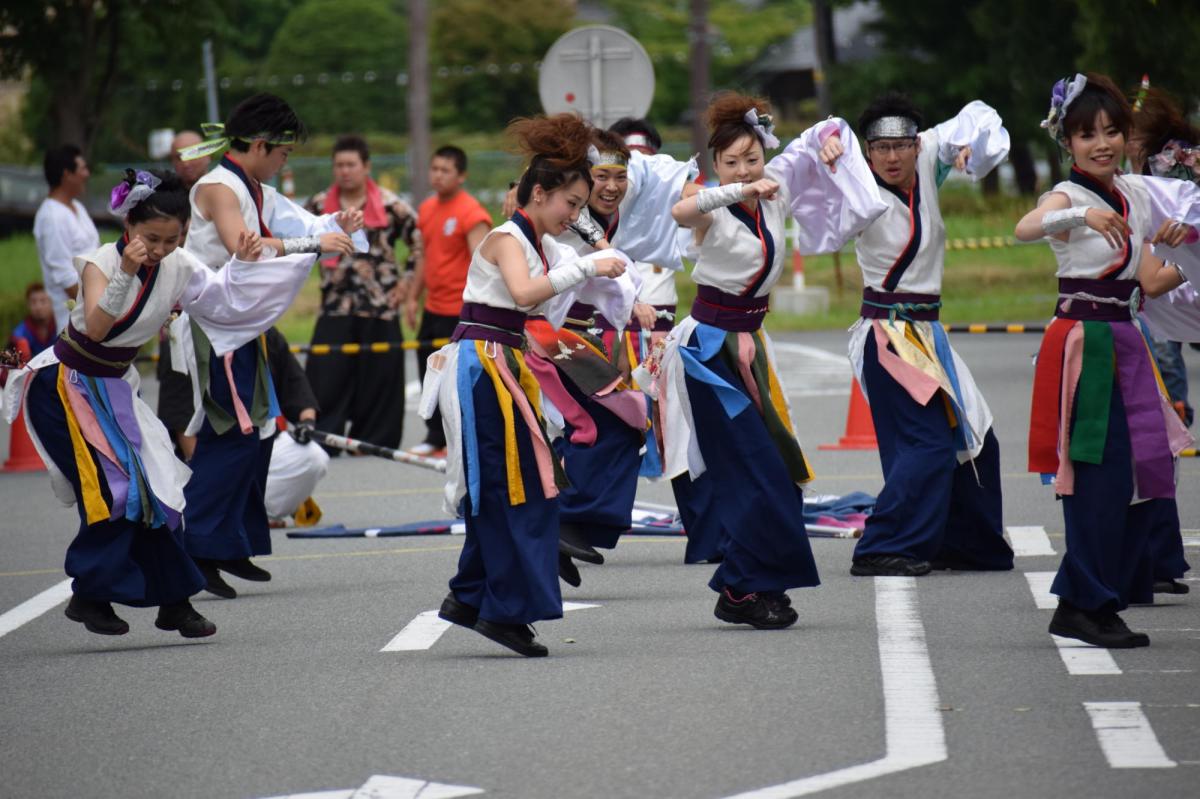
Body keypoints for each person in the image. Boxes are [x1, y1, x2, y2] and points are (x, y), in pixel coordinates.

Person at [1, 170, 318, 638]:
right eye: (152, 238)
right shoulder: (100, 262)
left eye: (173, 238)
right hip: (67, 389)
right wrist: (127, 272)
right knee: (118, 494)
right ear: (129, 226)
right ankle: (93, 590)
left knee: (161, 494)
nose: (162, 248)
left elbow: (225, 306)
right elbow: (96, 327)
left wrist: (253, 263)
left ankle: (173, 602)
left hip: (115, 390)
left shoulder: (181, 265)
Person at [658, 93, 884, 628]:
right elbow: (681, 210)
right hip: (707, 351)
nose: (745, 168)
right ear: (717, 166)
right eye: (731, 161)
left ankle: (749, 585)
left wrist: (831, 145)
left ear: (764, 154)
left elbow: (817, 139)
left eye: (752, 158)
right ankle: (743, 587)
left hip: (750, 345)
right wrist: (738, 187)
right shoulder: (710, 203)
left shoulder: (774, 191)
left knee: (776, 473)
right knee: (755, 473)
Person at [419, 113, 632, 658]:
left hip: (504, 364)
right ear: (539, 193)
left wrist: (605, 272)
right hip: (482, 365)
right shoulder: (506, 236)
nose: (575, 214)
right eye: (571, 203)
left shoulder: (541, 242)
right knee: (512, 487)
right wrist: (588, 267)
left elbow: (568, 291)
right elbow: (522, 292)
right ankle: (500, 608)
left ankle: (471, 597)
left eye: (581, 206)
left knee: (521, 485)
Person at [1015, 73, 1195, 648]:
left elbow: (1149, 280)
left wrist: (1186, 250)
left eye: (1112, 131)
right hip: (1083, 343)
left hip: (1125, 337)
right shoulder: (1068, 196)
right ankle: (1083, 601)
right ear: (1065, 142)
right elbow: (1024, 228)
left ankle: (1096, 595)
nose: (1102, 143)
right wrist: (1077, 217)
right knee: (1096, 473)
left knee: (1145, 468)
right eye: (1087, 133)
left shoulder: (1135, 193)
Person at [177, 93, 363, 599]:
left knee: (257, 432)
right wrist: (313, 243)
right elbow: (246, 245)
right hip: (211, 327)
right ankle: (197, 546)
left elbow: (299, 228)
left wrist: (333, 227)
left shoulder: (252, 185)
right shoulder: (220, 186)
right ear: (259, 144)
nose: (286, 162)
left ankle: (227, 541)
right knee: (233, 434)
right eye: (283, 152)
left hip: (239, 326)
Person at [823, 92, 1016, 578]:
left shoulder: (931, 156)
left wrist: (975, 147)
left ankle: (964, 543)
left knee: (977, 436)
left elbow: (979, 114)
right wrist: (827, 145)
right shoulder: (855, 184)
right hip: (887, 335)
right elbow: (811, 158)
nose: (892, 157)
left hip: (929, 332)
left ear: (916, 144)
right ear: (866, 151)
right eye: (880, 148)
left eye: (901, 145)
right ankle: (882, 545)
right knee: (927, 444)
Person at [542, 125, 696, 585]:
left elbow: (656, 169)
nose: (611, 187)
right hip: (552, 336)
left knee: (623, 428)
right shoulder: (570, 213)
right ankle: (562, 525)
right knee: (604, 426)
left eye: (619, 177)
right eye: (600, 176)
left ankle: (570, 529)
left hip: (588, 337)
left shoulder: (605, 211)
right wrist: (633, 299)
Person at [305, 135, 417, 452]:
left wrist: (406, 284)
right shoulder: (317, 205)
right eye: (339, 165)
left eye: (351, 164)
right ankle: (324, 440)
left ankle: (373, 441)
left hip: (380, 305)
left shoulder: (391, 204)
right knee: (325, 376)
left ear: (366, 167)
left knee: (380, 379)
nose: (345, 171)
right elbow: (295, 242)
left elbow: (419, 244)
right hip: (335, 305)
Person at [410, 146, 493, 457]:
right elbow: (424, 258)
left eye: (445, 170)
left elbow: (483, 262)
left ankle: (456, 436)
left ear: (462, 176)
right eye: (434, 169)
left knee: (455, 378)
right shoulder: (428, 208)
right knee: (428, 370)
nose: (437, 175)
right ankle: (434, 436)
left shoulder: (471, 212)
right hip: (433, 307)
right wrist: (412, 298)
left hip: (460, 310)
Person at [155, 129, 212, 459]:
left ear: (207, 154)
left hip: (216, 307)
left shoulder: (222, 190)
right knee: (178, 390)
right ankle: (195, 467)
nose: (186, 163)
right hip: (174, 311)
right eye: (178, 156)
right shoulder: (162, 196)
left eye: (193, 154)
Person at [262, 327, 329, 524]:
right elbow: (181, 415)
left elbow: (296, 388)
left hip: (262, 437)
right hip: (213, 446)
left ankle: (266, 511)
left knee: (314, 457)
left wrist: (306, 423)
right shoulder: (191, 333)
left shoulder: (266, 334)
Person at [34, 145, 100, 333]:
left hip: (97, 310)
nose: (87, 174)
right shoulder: (52, 217)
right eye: (82, 169)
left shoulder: (77, 207)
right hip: (76, 322)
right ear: (67, 174)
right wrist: (99, 307)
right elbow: (65, 276)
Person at [9, 283, 56, 360]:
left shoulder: (61, 327)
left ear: (52, 302)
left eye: (43, 301)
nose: (38, 307)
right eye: (33, 302)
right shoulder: (21, 332)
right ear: (28, 305)